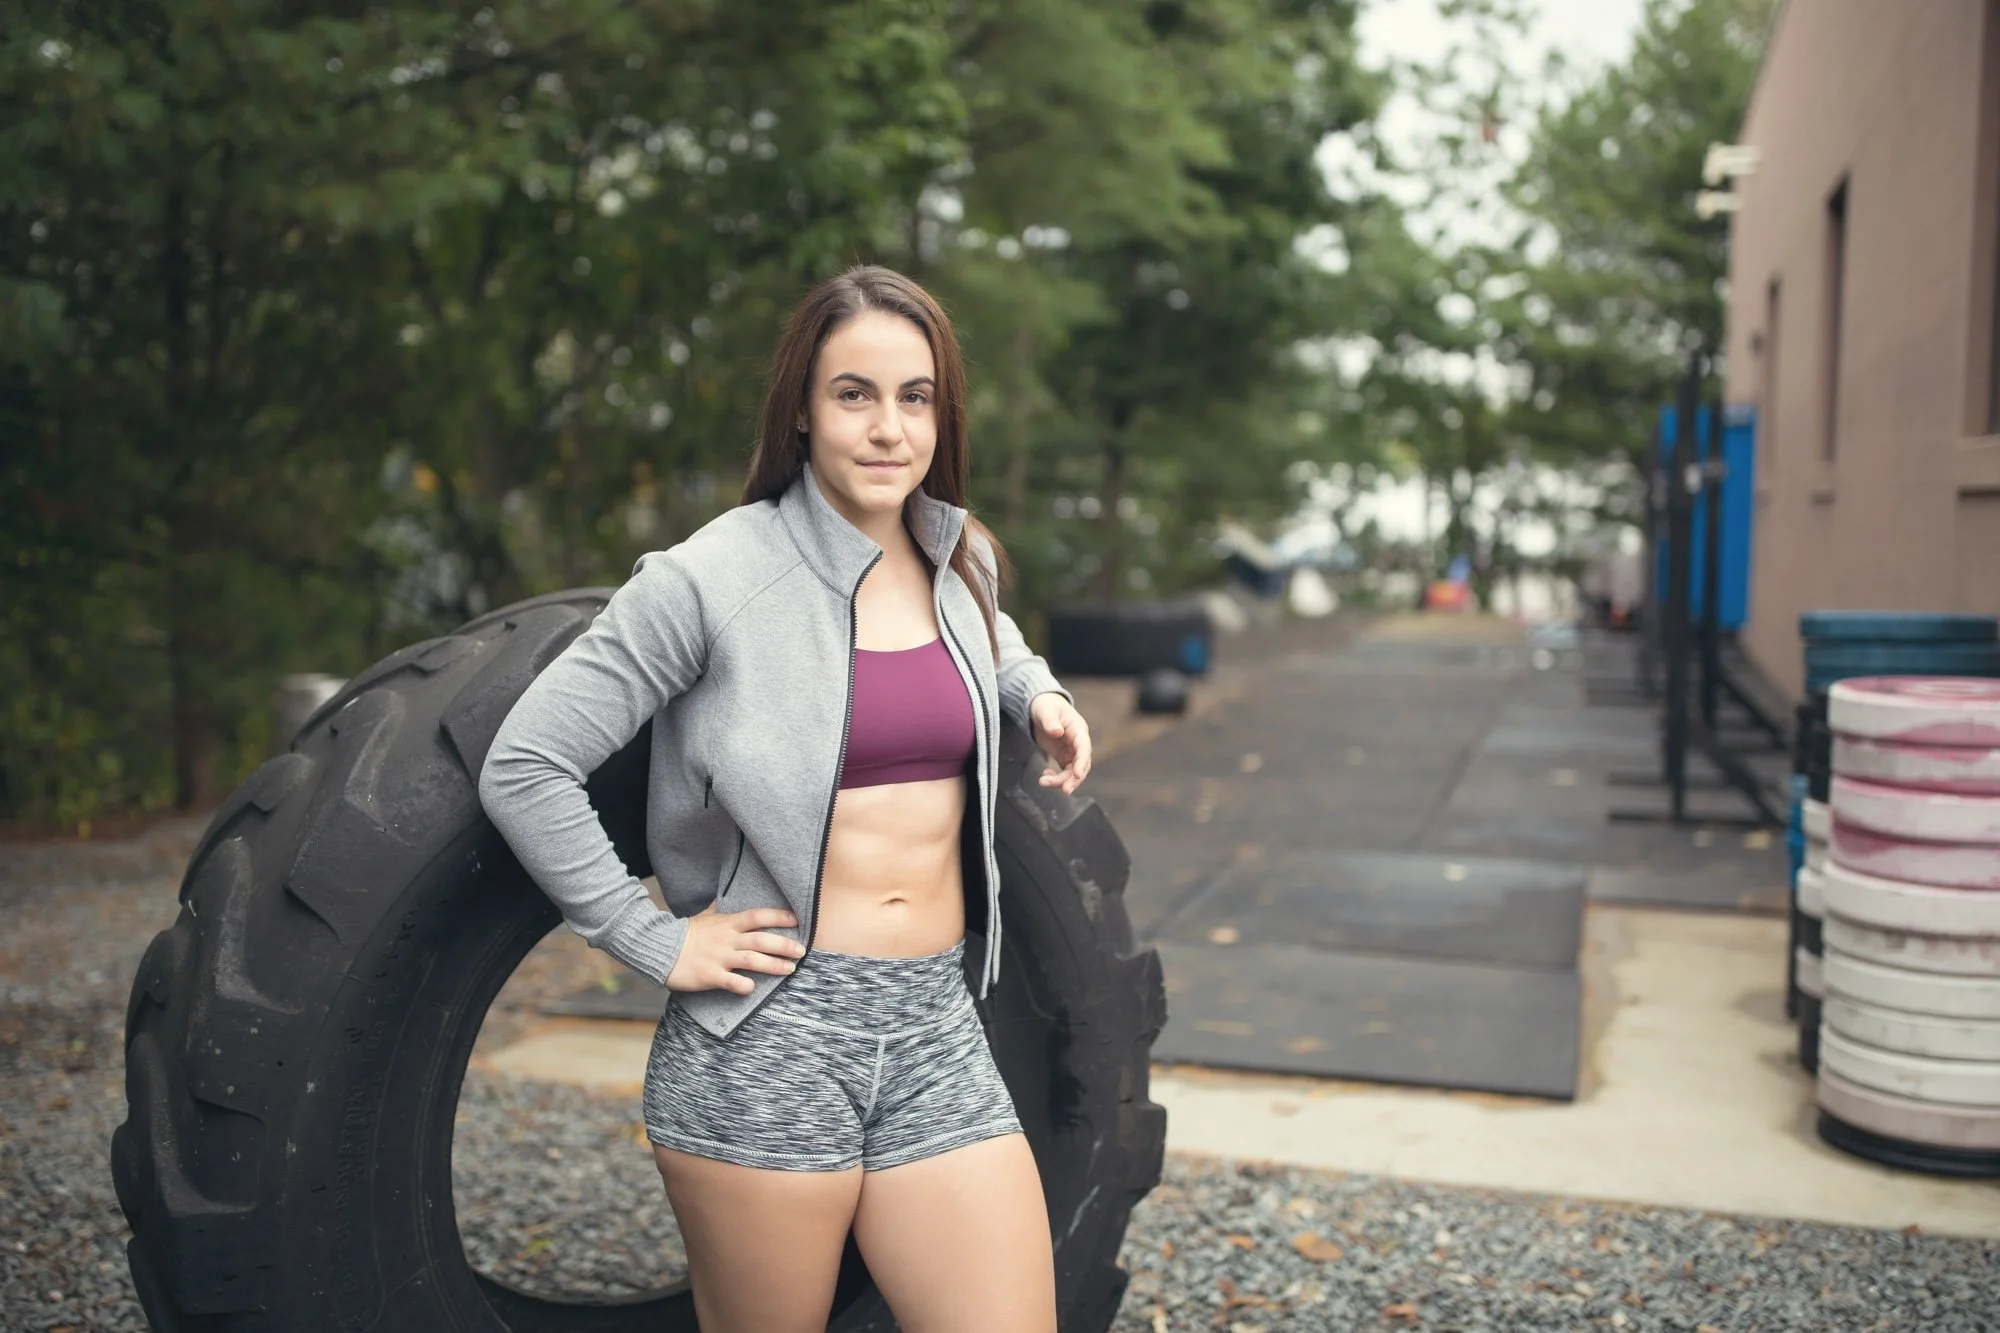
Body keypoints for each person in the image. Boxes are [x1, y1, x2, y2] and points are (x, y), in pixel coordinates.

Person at [478, 264, 1093, 1333]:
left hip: (936, 1027)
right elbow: (524, 764)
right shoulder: (708, 577)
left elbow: (986, 636)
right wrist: (645, 935)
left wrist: (1034, 692)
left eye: (915, 397)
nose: (888, 427)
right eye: (854, 394)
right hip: (771, 1037)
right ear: (802, 411)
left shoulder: (959, 554)